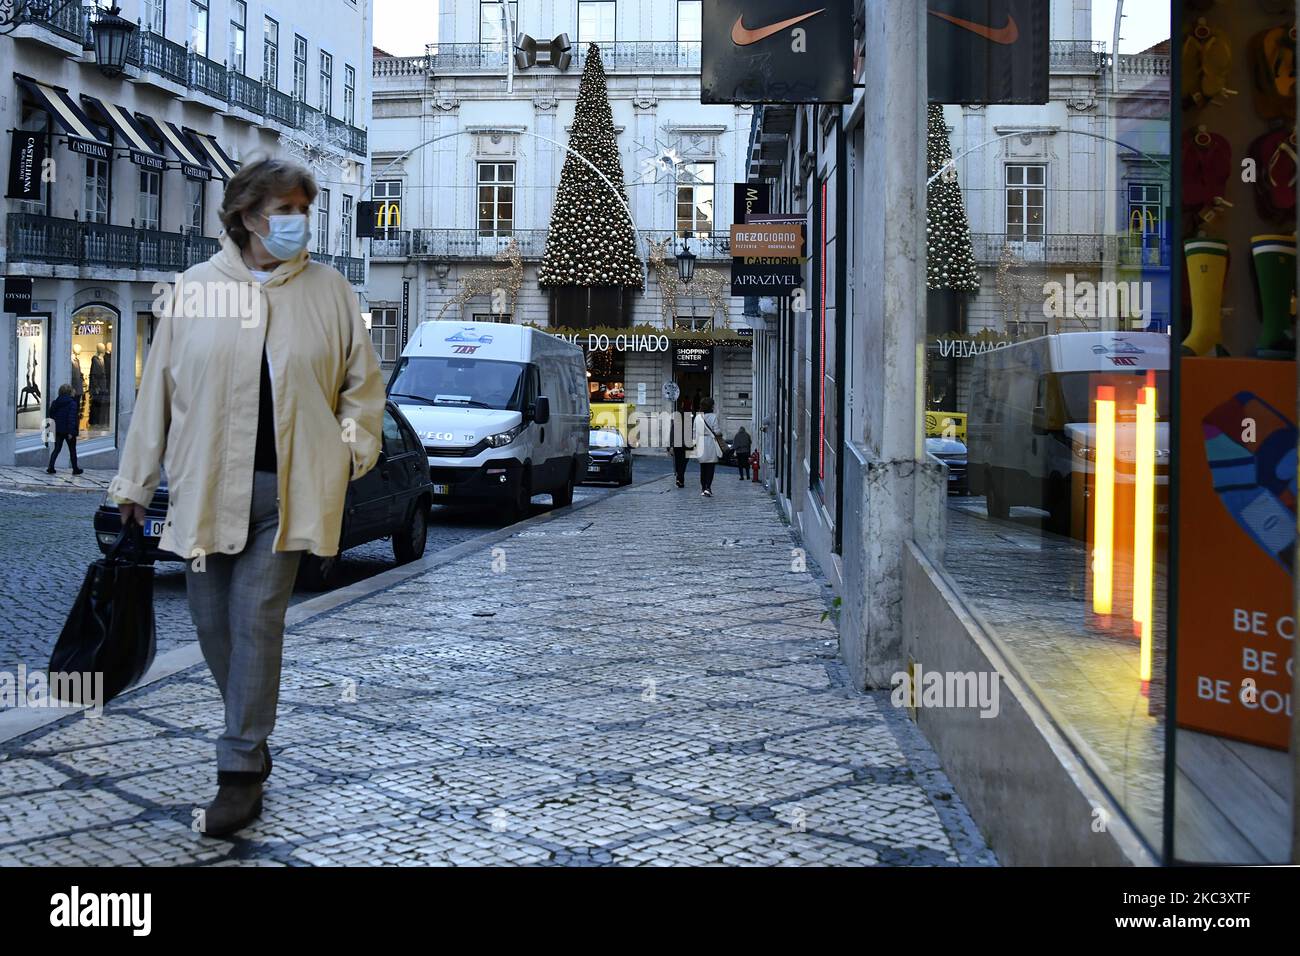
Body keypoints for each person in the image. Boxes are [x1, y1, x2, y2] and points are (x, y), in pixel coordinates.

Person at [107, 157, 386, 838]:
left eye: (303, 209)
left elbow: (362, 391)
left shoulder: (331, 293)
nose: (297, 221)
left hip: (285, 497)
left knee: (258, 621)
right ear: (246, 214)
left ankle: (236, 774)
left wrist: (344, 457)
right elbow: (159, 398)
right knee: (212, 625)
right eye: (285, 208)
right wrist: (135, 484)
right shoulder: (196, 289)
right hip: (205, 489)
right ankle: (253, 741)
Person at [45, 384, 83, 475]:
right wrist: (71, 432)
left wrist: (57, 422)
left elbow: (51, 414)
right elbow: (71, 418)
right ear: (69, 392)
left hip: (58, 430)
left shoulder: (55, 402)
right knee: (72, 450)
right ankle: (75, 469)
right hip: (68, 431)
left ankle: (51, 467)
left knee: (57, 449)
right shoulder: (72, 403)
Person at [692, 397, 724, 497]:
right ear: (711, 406)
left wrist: (694, 444)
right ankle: (708, 487)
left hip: (700, 442)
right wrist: (719, 434)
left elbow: (694, 431)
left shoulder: (697, 417)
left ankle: (703, 488)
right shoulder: (713, 417)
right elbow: (717, 431)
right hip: (710, 442)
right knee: (710, 467)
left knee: (703, 467)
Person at [667, 399, 691, 488]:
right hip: (686, 445)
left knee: (678, 462)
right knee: (683, 463)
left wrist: (670, 446)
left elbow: (672, 433)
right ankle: (680, 478)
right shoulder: (690, 420)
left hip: (678, 444)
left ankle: (679, 478)